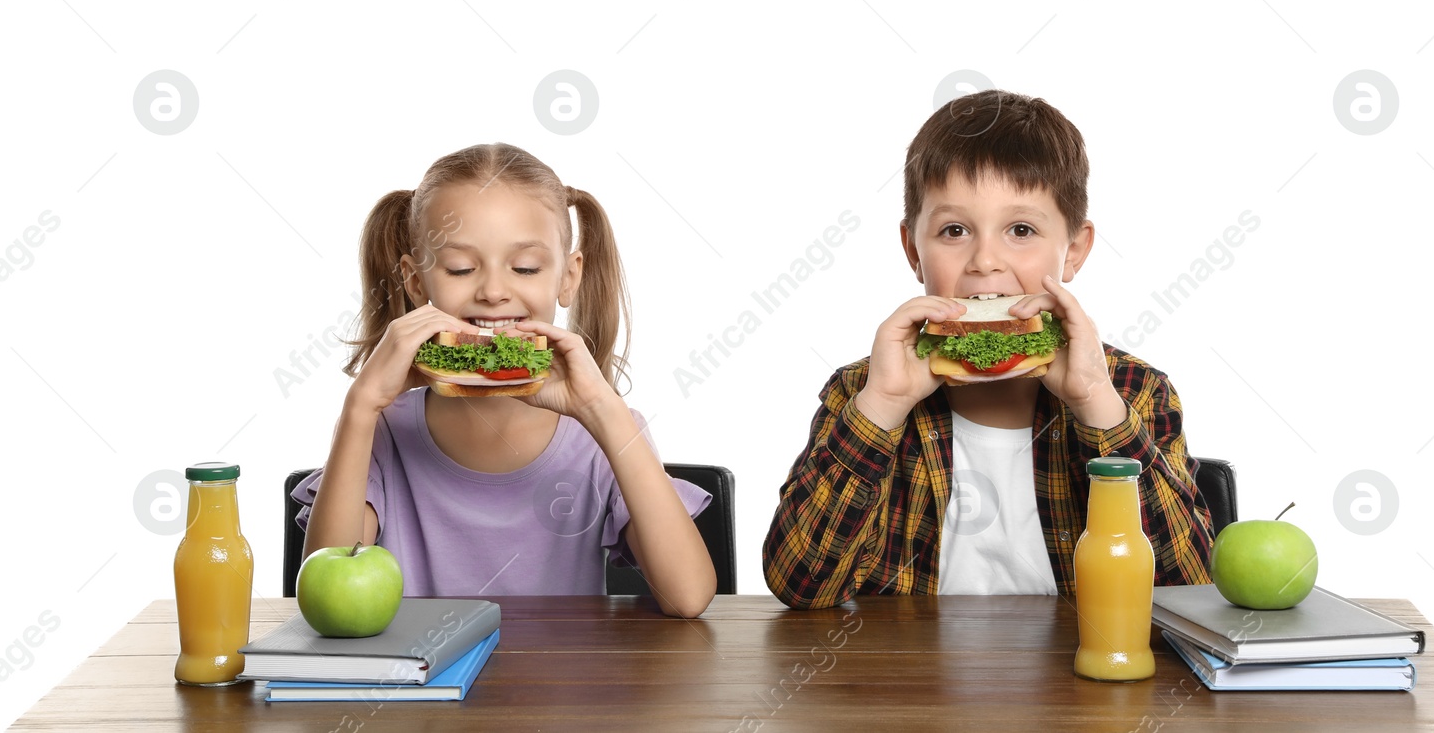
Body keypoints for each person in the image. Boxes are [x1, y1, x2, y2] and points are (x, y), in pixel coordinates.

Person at [763, 91, 1214, 609]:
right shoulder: (863, 392)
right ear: (914, 251)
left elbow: (1189, 590)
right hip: (909, 683)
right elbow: (802, 586)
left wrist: (1097, 406)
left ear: (1076, 250)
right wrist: (884, 405)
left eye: (1020, 230)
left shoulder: (1133, 391)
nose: (985, 261)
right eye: (954, 231)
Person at [295, 143, 715, 618]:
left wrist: (604, 411)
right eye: (460, 268)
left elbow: (688, 597)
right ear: (415, 283)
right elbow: (328, 604)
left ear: (568, 277)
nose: (494, 292)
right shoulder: (382, 430)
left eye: (525, 268)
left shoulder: (604, 434)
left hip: (560, 688)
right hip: (418, 689)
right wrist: (362, 405)